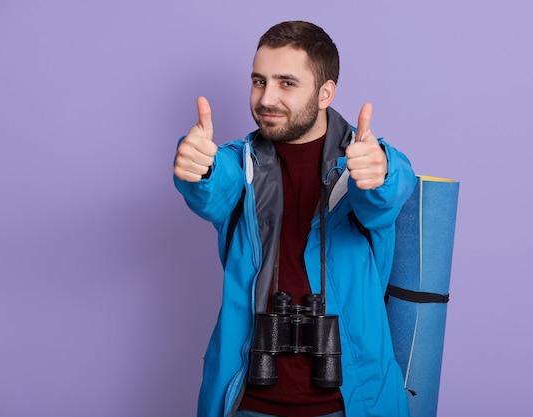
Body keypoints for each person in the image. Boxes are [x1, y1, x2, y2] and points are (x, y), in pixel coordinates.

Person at [174, 21, 416, 417]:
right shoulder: (239, 162)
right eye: (259, 81)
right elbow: (214, 187)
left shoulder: (364, 160)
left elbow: (385, 193)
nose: (267, 98)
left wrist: (381, 172)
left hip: (354, 404)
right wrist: (197, 169)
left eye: (287, 83)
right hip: (246, 401)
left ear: (325, 93)